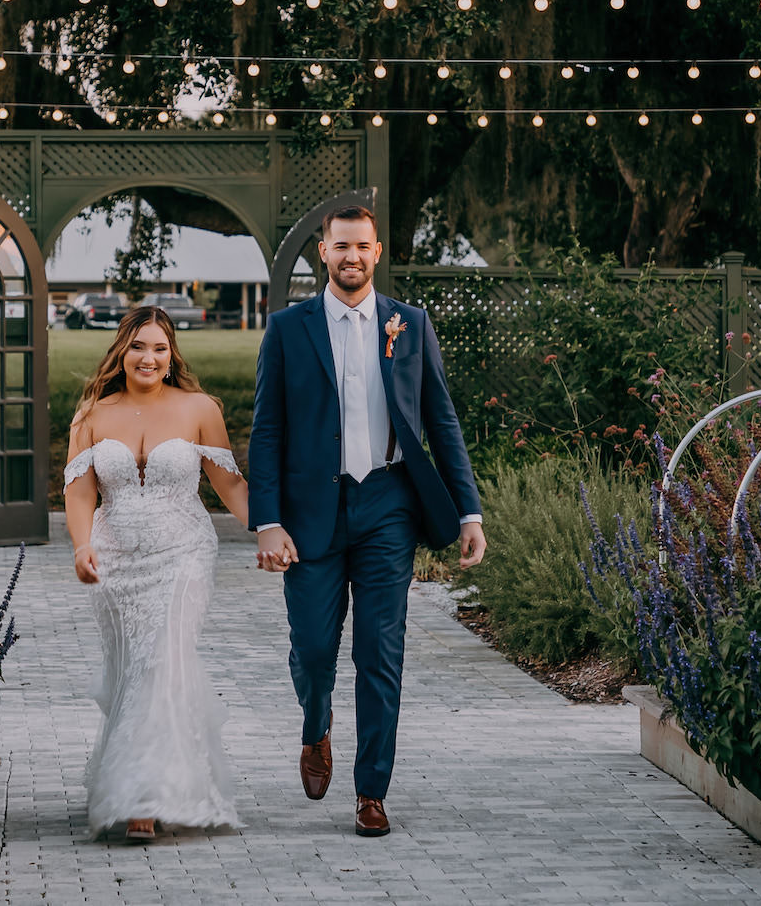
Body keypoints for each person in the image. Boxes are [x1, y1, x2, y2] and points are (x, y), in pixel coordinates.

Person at [246, 204, 486, 837]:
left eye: (362, 246)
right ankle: (316, 726)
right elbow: (266, 431)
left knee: (380, 653)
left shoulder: (410, 324)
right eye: (340, 246)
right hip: (310, 515)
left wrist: (469, 510)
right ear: (322, 253)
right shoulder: (288, 329)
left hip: (388, 508)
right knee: (316, 650)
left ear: (378, 252)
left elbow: (442, 419)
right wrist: (266, 520)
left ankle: (371, 791)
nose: (351, 257)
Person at [63, 306, 250, 841]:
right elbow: (79, 492)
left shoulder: (199, 408)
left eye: (160, 348)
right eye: (139, 346)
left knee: (162, 660)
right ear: (122, 351)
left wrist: (269, 529)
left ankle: (145, 797)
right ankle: (142, 779)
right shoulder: (92, 414)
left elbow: (229, 484)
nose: (149, 357)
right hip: (115, 558)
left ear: (172, 357)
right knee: (131, 669)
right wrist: (81, 547)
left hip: (184, 552)